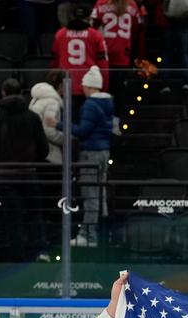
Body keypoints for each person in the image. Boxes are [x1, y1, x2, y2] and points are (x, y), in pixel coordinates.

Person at [0, 78, 51, 262]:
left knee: (13, 218)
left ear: (3, 93)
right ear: (21, 93)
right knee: (36, 213)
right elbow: (44, 149)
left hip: (5, 175)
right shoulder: (32, 116)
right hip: (29, 173)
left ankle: (17, 258)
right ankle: (42, 252)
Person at [46, 65, 113, 248]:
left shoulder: (91, 104)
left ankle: (88, 236)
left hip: (91, 154)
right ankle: (100, 234)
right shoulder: (108, 103)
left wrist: (58, 124)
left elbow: (82, 131)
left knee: (91, 195)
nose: (82, 89)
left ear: (90, 86)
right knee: (101, 195)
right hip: (103, 152)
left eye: (84, 85)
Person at [91, 0, 146, 130]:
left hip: (103, 54)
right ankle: (115, 122)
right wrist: (140, 57)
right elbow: (138, 33)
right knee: (118, 91)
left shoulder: (100, 4)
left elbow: (91, 27)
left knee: (103, 89)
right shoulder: (132, 5)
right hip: (123, 54)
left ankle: (103, 121)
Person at [51, 2, 110, 117]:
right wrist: (103, 88)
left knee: (69, 126)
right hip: (90, 87)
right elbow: (103, 64)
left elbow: (54, 62)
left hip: (67, 86)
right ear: (88, 18)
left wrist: (56, 84)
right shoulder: (96, 35)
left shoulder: (60, 34)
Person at [30, 69, 67, 165]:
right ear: (60, 86)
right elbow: (49, 131)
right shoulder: (52, 102)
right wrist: (67, 139)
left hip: (36, 150)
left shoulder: (36, 98)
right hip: (49, 153)